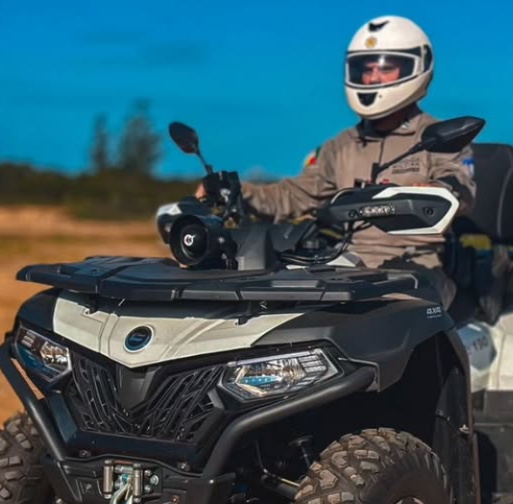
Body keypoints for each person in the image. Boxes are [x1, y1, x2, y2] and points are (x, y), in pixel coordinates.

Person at [197, 16, 476, 308]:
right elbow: (292, 195)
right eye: (365, 69)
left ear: (417, 68)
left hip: (419, 265)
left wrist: (432, 190)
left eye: (385, 68)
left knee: (389, 316)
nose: (372, 78)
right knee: (277, 303)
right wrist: (236, 190)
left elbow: (458, 184)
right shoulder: (341, 146)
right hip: (347, 262)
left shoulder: (438, 137)